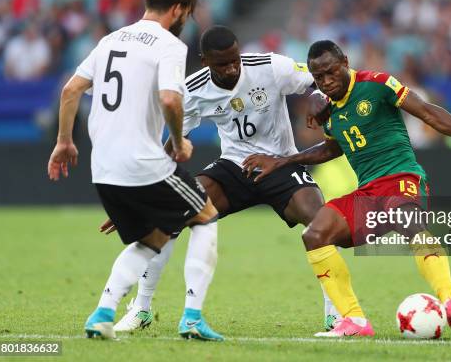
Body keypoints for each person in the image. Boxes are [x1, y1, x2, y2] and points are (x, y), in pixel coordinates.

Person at [242, 40, 451, 337]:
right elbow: (331, 150)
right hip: (368, 193)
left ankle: (450, 303)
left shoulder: (378, 84)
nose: (326, 81)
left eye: (331, 72)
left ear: (345, 62)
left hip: (401, 178)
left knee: (409, 222)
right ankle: (355, 321)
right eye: (318, 77)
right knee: (315, 234)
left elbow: (427, 112)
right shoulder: (330, 110)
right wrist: (283, 161)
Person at [108, 26, 341, 339]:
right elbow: (175, 143)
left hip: (280, 161)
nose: (232, 68)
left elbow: (317, 80)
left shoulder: (270, 66)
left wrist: (316, 98)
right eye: (222, 64)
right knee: (171, 212)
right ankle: (141, 307)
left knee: (320, 219)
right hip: (234, 166)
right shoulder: (191, 90)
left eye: (235, 60)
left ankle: (337, 314)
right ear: (205, 61)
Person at [47, 0, 217, 340]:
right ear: (177, 9)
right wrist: (179, 142)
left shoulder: (110, 39)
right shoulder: (169, 45)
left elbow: (70, 90)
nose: (185, 18)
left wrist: (64, 141)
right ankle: (192, 316)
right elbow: (171, 99)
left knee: (153, 237)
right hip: (144, 162)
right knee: (206, 214)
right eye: (185, 12)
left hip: (104, 169)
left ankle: (103, 312)